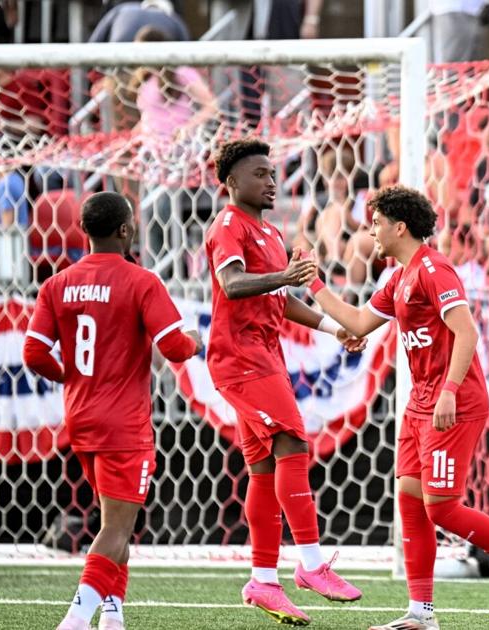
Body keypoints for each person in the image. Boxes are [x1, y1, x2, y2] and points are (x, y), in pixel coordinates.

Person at [304, 184, 489, 630]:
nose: (371, 231)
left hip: (453, 402)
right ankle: (420, 613)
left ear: (400, 227)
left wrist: (449, 391)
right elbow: (360, 323)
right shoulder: (398, 277)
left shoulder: (434, 270)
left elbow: (467, 333)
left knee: (441, 506)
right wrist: (312, 282)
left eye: (377, 223)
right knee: (409, 497)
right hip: (420, 401)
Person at [23, 192, 203, 630]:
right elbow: (174, 347)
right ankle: (75, 619)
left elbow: (33, 353)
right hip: (124, 423)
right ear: (125, 229)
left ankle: (112, 615)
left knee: (115, 521)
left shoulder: (56, 285)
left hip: (81, 417)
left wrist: (69, 377)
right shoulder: (140, 281)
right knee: (117, 528)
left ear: (84, 230)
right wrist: (195, 341)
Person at [205, 139, 363, 626]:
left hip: (263, 353)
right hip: (241, 356)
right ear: (232, 182)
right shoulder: (229, 225)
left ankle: (263, 581)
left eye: (273, 174)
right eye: (260, 174)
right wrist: (285, 275)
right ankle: (311, 565)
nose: (271, 182)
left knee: (263, 469)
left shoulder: (270, 232)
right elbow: (232, 285)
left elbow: (279, 299)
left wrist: (332, 327)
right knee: (293, 441)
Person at [88, 0, 190, 42]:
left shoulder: (120, 10)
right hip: (159, 70)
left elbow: (95, 42)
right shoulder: (174, 19)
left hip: (119, 59)